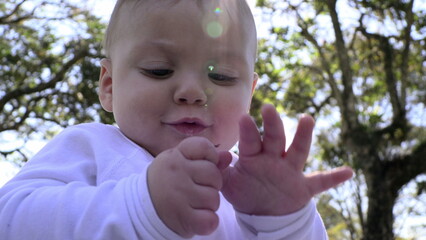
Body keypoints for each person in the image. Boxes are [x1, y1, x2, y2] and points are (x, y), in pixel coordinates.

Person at [0, 0, 354, 239]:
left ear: (249, 92)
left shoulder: (248, 192)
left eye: (223, 76)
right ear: (109, 86)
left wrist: (287, 220)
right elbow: (10, 220)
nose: (192, 91)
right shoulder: (91, 147)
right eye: (159, 70)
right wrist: (140, 206)